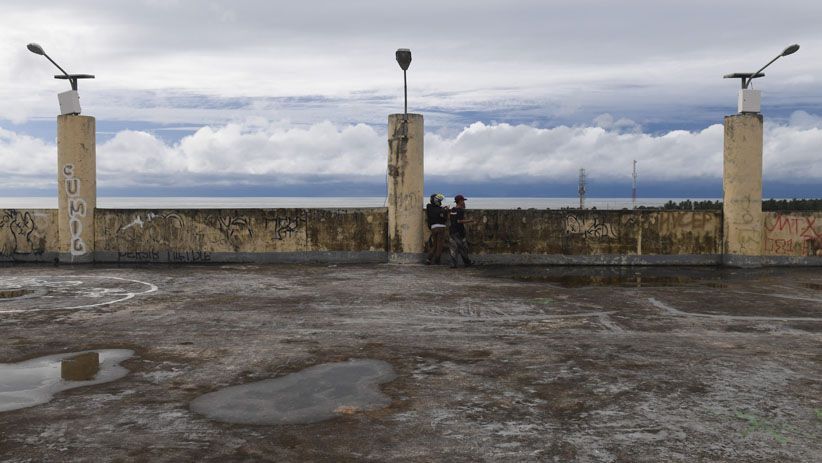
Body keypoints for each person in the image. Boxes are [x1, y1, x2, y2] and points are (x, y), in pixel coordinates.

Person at [448, 194, 474, 268]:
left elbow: (453, 220)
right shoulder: (460, 210)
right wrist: (470, 220)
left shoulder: (453, 210)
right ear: (460, 201)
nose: (464, 202)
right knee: (463, 248)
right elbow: (459, 221)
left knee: (453, 248)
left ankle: (453, 264)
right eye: (463, 201)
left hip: (452, 231)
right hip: (459, 232)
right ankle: (467, 262)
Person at [425, 193, 448, 265]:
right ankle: (437, 260)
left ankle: (428, 259)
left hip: (433, 227)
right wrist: (445, 211)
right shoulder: (441, 209)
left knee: (434, 245)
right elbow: (444, 219)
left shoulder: (429, 207)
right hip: (441, 227)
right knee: (440, 245)